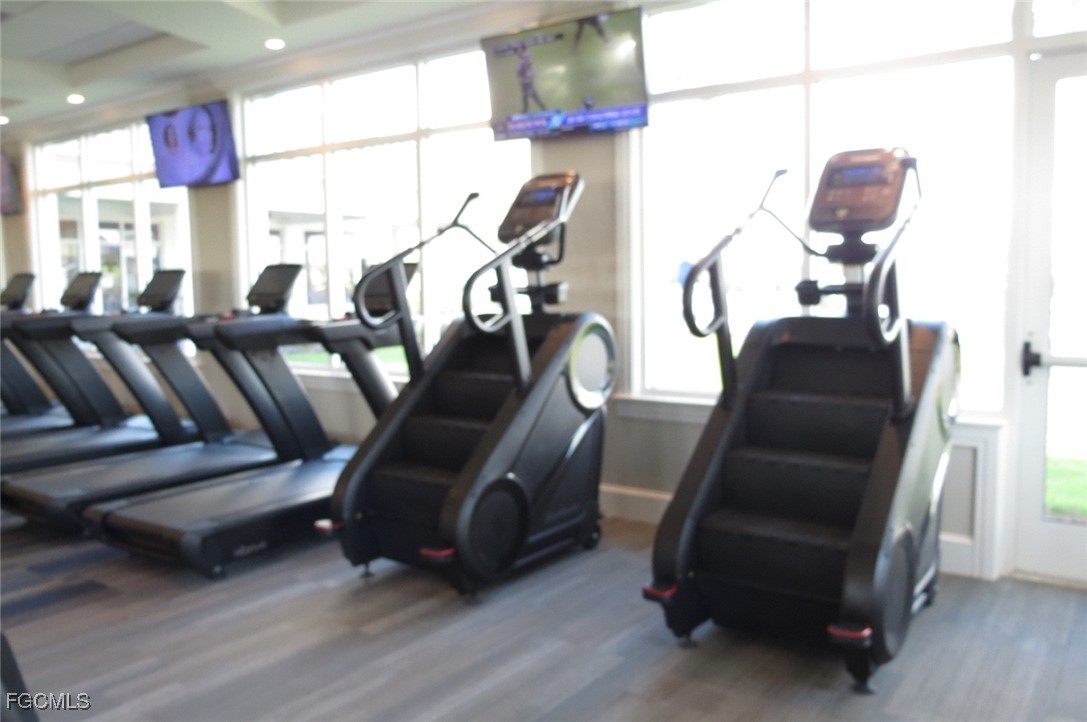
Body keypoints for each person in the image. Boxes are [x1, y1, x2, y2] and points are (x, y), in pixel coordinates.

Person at [516, 46, 547, 114]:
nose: (518, 52)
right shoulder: (520, 63)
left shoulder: (526, 56)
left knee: (530, 96)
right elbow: (520, 73)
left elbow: (529, 66)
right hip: (525, 82)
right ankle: (542, 108)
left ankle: (543, 109)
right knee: (528, 97)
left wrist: (531, 73)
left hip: (527, 82)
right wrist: (524, 77)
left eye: (519, 50)